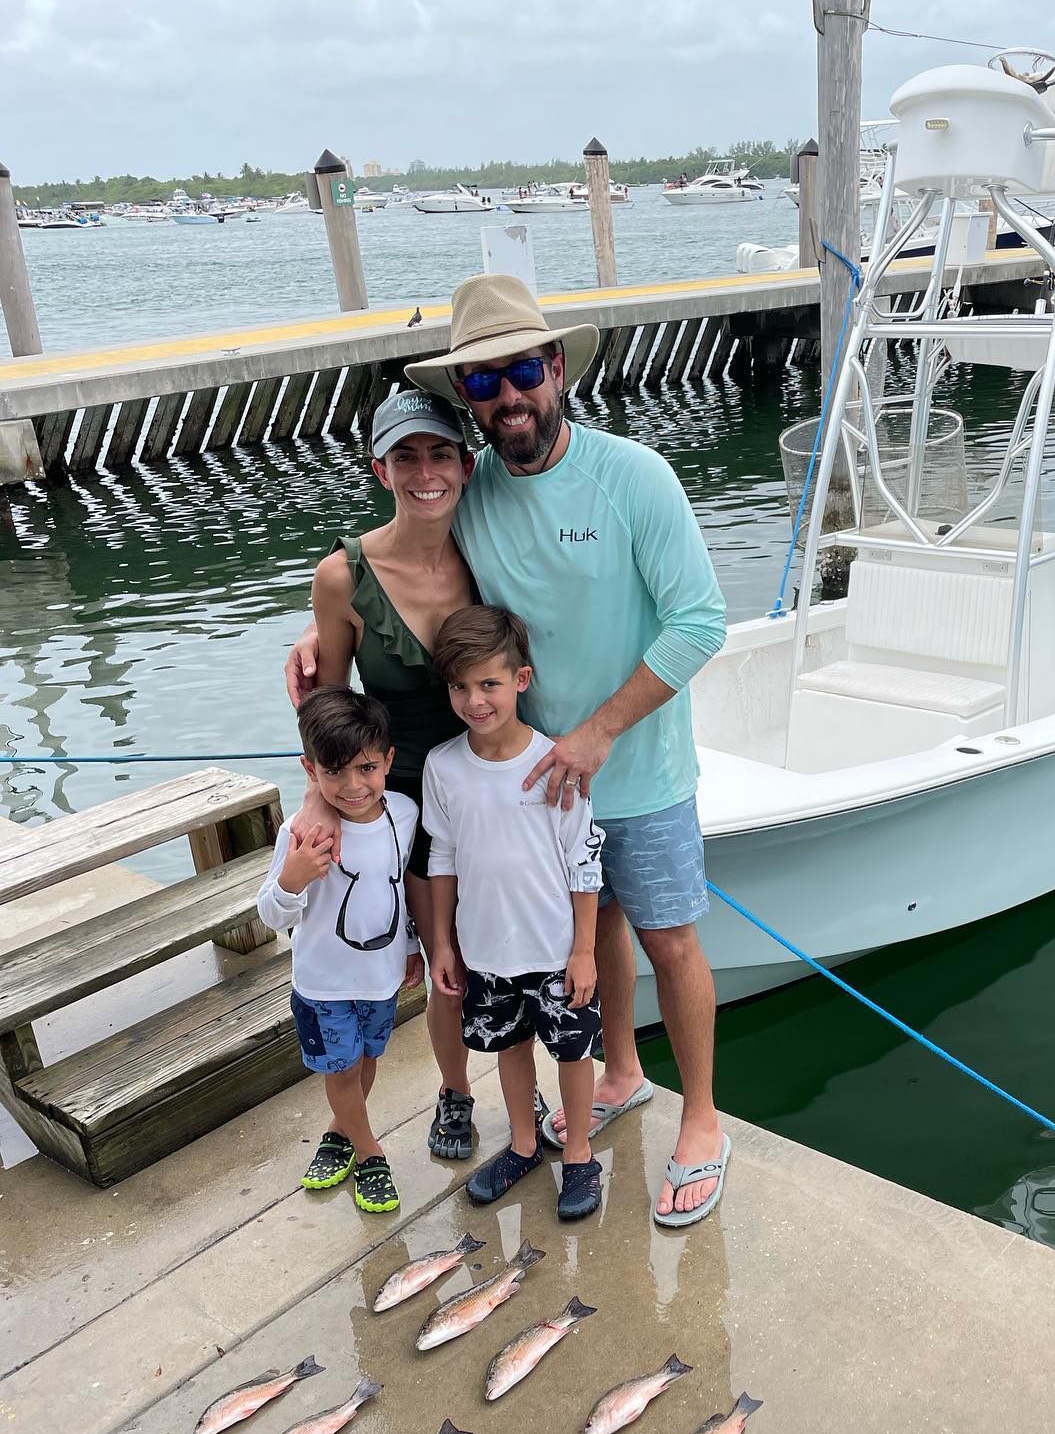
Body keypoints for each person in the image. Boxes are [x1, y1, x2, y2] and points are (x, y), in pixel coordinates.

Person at [404, 275, 730, 1227]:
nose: (507, 397)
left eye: (519, 370)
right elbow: (404, 571)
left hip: (641, 768)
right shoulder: (472, 499)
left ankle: (703, 1120)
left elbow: (700, 622)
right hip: (541, 787)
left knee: (670, 937)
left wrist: (598, 732)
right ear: (469, 401)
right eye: (482, 383)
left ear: (555, 368)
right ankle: (621, 1072)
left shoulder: (635, 476)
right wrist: (322, 628)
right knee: (604, 935)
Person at [283, 389, 494, 1165]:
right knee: (433, 957)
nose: (425, 472)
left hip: (486, 778)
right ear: (380, 469)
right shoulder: (342, 576)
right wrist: (322, 806)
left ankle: (510, 1073)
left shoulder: (490, 544)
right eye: (406, 456)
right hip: (397, 792)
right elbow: (330, 706)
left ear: (468, 466)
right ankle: (451, 1093)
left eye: (440, 452)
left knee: (497, 947)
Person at [423, 605, 607, 1221]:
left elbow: (584, 862)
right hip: (485, 950)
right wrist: (445, 945)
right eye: (459, 687)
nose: (475, 700)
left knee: (574, 1054)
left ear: (520, 680)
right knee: (510, 1048)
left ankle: (578, 1153)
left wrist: (584, 950)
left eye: (489, 684)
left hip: (554, 950)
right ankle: (524, 1145)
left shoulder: (556, 763)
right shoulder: (443, 766)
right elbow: (444, 855)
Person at [257, 688, 423, 1213]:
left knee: (368, 1059)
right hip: (323, 982)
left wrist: (414, 946)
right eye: (334, 773)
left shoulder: (406, 812)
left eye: (367, 768)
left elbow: (402, 888)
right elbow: (271, 915)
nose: (353, 786)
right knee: (341, 1069)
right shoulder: (300, 832)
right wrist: (292, 878)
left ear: (388, 762)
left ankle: (339, 1132)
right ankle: (370, 1153)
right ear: (311, 770)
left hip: (382, 975)